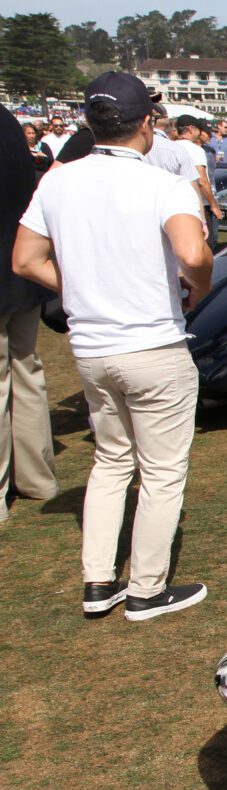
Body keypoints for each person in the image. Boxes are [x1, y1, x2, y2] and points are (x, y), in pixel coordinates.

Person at [12, 72, 212, 618]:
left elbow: (26, 260)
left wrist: (81, 286)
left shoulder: (57, 180)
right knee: (163, 470)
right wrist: (198, 287)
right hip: (152, 345)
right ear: (147, 122)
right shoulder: (163, 185)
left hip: (92, 347)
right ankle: (148, 588)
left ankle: (99, 580)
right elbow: (193, 254)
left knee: (111, 461)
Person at [1, 105, 60, 523]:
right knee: (25, 372)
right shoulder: (8, 124)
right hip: (21, 276)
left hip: (17, 270)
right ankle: (37, 476)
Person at [174, 115, 221, 252]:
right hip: (200, 204)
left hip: (177, 203)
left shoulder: (172, 147)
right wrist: (213, 205)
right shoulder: (196, 151)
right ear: (191, 129)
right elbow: (202, 180)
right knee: (208, 245)